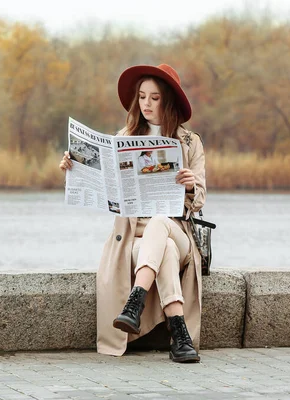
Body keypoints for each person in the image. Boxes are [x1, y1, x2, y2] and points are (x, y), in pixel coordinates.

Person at [59, 63, 206, 363]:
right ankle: (180, 337)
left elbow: (200, 198)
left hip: (178, 233)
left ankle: (134, 303)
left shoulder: (190, 142)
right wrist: (74, 166)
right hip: (135, 241)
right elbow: (105, 185)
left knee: (161, 225)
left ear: (168, 101)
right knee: (159, 246)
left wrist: (190, 185)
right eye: (141, 97)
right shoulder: (123, 137)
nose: (146, 104)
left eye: (154, 98)